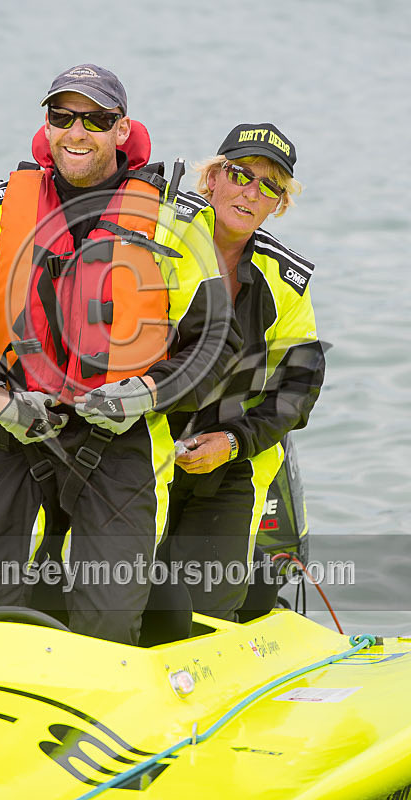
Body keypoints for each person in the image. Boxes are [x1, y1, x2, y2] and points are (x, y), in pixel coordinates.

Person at [0, 64, 241, 645]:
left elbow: (218, 341)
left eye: (96, 119)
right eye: (62, 116)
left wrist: (148, 392)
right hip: (19, 428)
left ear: (122, 129)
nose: (76, 132)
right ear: (48, 125)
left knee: (108, 625)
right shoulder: (0, 209)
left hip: (123, 438)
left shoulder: (173, 219)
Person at [162, 123, 325, 622]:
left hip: (232, 459)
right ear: (211, 179)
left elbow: (299, 387)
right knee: (109, 595)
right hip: (136, 447)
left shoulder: (286, 279)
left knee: (208, 615)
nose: (251, 192)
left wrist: (232, 442)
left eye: (269, 187)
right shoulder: (158, 237)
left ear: (278, 205)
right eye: (240, 175)